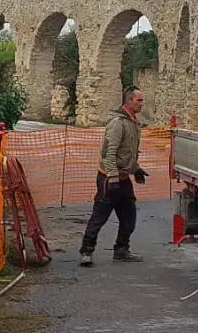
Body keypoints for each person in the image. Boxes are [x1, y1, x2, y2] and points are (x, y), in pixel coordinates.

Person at [79, 86, 147, 266]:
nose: (142, 104)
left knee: (129, 217)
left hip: (123, 178)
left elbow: (128, 152)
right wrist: (113, 176)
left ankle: (121, 250)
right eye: (139, 100)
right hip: (109, 179)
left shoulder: (132, 122)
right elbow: (108, 152)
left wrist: (136, 168)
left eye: (142, 100)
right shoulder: (118, 122)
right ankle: (86, 251)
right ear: (129, 101)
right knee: (99, 216)